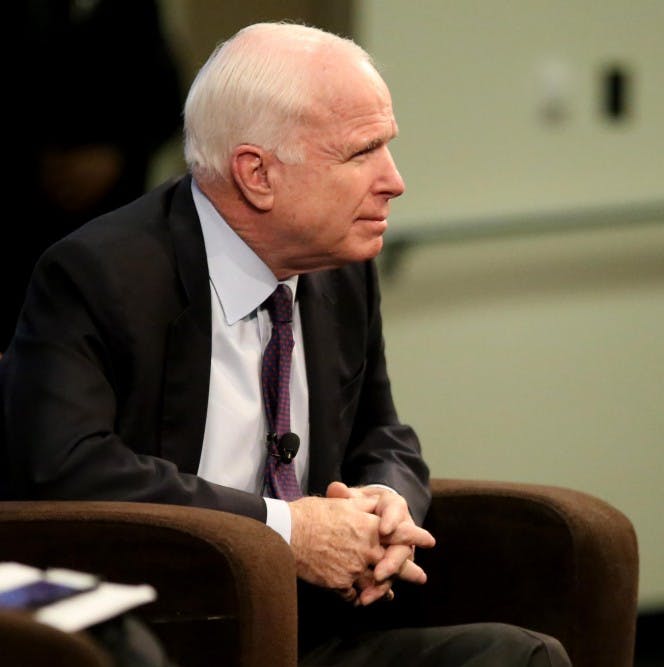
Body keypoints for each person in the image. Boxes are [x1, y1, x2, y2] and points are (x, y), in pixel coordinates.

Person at [0, 21, 570, 667]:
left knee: (520, 656)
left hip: (311, 630)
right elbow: (67, 467)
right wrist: (286, 530)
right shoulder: (101, 273)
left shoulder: (340, 268)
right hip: (170, 631)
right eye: (361, 153)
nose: (394, 180)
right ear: (257, 174)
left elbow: (383, 432)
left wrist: (386, 503)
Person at [5, 0, 185, 348]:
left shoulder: (134, 11)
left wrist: (115, 157)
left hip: (112, 209)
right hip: (28, 212)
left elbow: (166, 101)